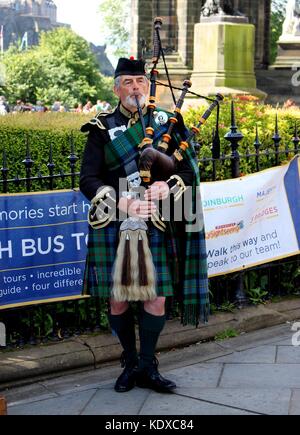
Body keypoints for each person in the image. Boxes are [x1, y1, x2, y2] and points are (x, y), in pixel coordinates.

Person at [80, 57, 209, 394]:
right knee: (118, 300)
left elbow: (187, 171)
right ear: (116, 88)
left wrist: (167, 186)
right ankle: (129, 359)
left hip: (156, 219)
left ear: (147, 86)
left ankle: (146, 365)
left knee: (156, 299)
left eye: (140, 81)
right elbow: (87, 180)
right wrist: (122, 201)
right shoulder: (101, 128)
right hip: (116, 222)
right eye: (127, 82)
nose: (135, 87)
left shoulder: (169, 122)